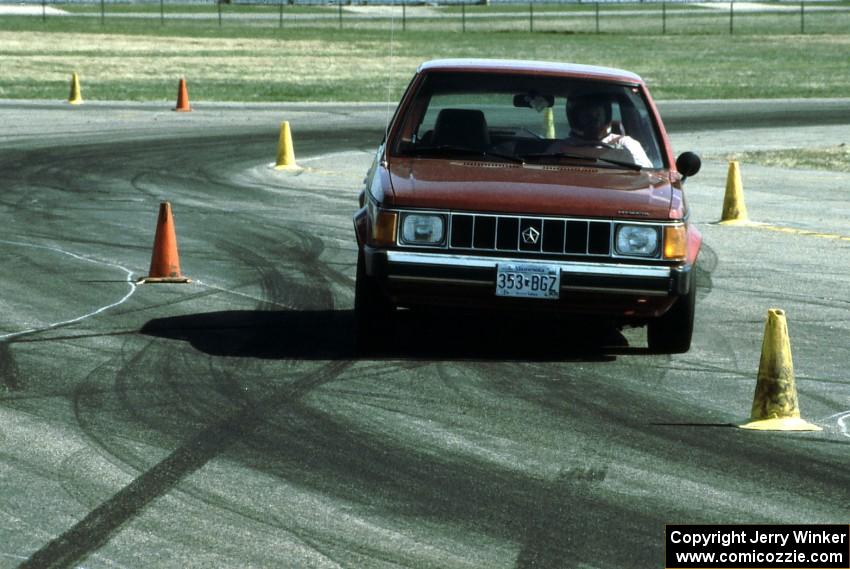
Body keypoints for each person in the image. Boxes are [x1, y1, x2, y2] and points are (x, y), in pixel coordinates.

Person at [560, 94, 652, 168]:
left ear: (607, 116)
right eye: (586, 116)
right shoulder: (560, 149)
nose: (593, 120)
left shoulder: (626, 145)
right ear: (574, 118)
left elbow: (646, 176)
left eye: (598, 114)